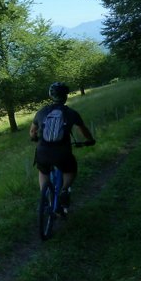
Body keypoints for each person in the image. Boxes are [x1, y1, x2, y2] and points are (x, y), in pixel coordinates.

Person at [29, 82, 95, 212]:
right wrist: (90, 140)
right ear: (65, 96)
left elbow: (32, 132)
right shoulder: (71, 113)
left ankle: (45, 197)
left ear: (51, 96)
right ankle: (64, 190)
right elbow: (83, 130)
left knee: (43, 171)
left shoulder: (41, 112)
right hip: (62, 152)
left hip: (43, 151)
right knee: (71, 170)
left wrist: (34, 138)